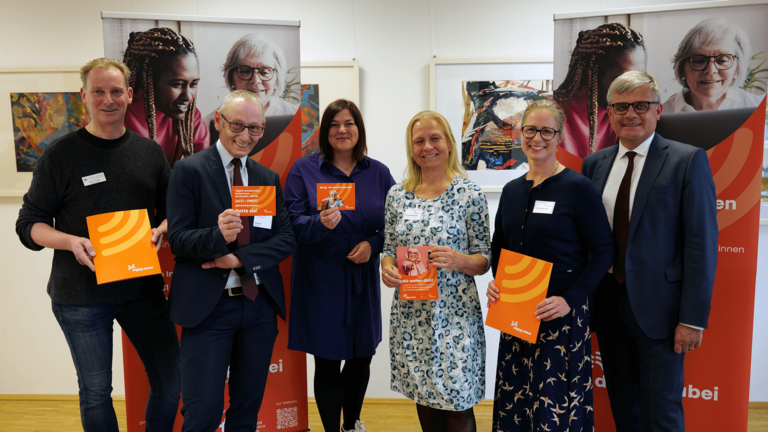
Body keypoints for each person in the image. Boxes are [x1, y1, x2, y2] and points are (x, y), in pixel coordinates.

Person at [15, 58, 180, 432]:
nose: (109, 99)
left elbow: (175, 211)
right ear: (84, 96)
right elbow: (29, 225)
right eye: (99, 92)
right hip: (80, 296)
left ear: (130, 95)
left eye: (116, 91)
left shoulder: (149, 152)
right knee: (96, 393)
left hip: (142, 289)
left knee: (171, 383)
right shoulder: (61, 155)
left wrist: (164, 228)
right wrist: (70, 241)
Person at [582, 71, 718, 431]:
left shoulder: (687, 161)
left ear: (658, 111)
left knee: (662, 413)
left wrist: (692, 319)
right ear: (609, 114)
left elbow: (701, 246)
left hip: (662, 313)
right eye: (621, 107)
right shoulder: (594, 164)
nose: (631, 115)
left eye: (641, 105)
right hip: (608, 307)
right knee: (624, 408)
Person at [166, 90, 295, 432]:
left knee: (246, 411)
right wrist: (217, 236)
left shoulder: (267, 178)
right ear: (219, 122)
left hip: (257, 307)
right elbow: (178, 239)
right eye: (238, 125)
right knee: (203, 413)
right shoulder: (188, 170)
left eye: (255, 128)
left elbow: (285, 238)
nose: (246, 135)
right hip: (209, 310)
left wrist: (238, 258)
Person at [485, 100, 614, 431]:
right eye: (530, 129)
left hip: (561, 317)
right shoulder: (512, 190)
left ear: (559, 137)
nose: (537, 138)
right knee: (517, 402)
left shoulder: (579, 189)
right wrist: (497, 281)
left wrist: (569, 299)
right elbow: (499, 246)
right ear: (520, 133)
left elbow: (603, 252)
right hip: (517, 313)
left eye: (547, 131)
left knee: (556, 407)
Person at [284, 99, 395, 432]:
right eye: (334, 124)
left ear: (359, 129)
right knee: (328, 359)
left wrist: (373, 245)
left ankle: (351, 425)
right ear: (324, 131)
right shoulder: (304, 170)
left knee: (362, 355)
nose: (342, 130)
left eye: (349, 123)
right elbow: (290, 224)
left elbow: (395, 224)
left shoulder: (378, 172)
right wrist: (320, 223)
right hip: (321, 279)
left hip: (361, 277)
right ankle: (333, 429)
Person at [381, 111, 490, 432]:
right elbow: (388, 249)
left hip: (455, 318)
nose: (427, 146)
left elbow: (485, 258)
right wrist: (386, 269)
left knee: (457, 403)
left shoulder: (469, 194)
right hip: (411, 317)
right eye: (419, 141)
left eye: (434, 138)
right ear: (411, 148)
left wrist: (460, 260)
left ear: (449, 143)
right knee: (425, 398)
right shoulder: (397, 195)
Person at [554, 23, 646, 159]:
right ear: (591, 75)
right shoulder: (547, 112)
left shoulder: (630, 116)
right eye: (623, 79)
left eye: (640, 78)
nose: (635, 88)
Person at [123, 27, 210, 167]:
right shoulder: (117, 117)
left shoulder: (190, 118)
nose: (188, 97)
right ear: (148, 81)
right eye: (177, 84)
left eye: (194, 84)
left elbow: (203, 170)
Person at [206, 34, 299, 144]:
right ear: (231, 79)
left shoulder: (297, 116)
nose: (255, 80)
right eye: (245, 71)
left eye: (264, 72)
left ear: (276, 80)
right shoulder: (209, 125)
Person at [665, 18, 764, 113]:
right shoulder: (661, 116)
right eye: (699, 61)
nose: (711, 70)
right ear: (682, 69)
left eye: (722, 60)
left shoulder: (758, 109)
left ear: (737, 69)